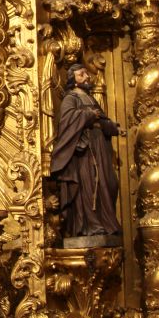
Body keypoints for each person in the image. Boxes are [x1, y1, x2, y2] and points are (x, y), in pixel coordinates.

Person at [50, 63, 122, 242]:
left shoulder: (91, 99)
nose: (87, 76)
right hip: (84, 151)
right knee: (90, 186)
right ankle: (91, 225)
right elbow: (67, 122)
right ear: (73, 80)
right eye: (81, 74)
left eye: (86, 74)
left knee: (109, 184)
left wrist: (112, 127)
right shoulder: (71, 98)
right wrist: (88, 115)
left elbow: (102, 120)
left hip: (99, 147)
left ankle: (107, 224)